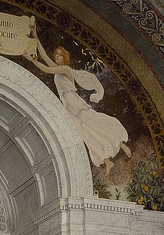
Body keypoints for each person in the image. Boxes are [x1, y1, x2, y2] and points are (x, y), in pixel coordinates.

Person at [24, 27, 131, 176]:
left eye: (60, 55)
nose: (57, 57)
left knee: (96, 122)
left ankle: (121, 143)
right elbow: (44, 56)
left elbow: (46, 69)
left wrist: (32, 61)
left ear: (65, 57)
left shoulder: (66, 70)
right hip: (68, 107)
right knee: (85, 134)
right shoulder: (59, 68)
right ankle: (107, 161)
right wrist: (36, 36)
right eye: (56, 55)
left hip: (75, 103)